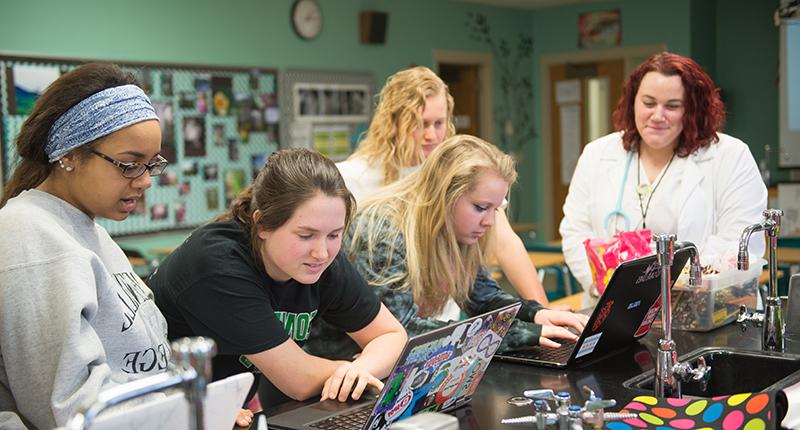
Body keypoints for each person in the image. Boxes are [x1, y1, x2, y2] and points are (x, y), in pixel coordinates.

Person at [147, 148, 407, 408]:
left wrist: (361, 369)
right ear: (262, 224)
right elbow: (298, 380)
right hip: (163, 414)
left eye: (334, 235)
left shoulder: (320, 262)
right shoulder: (217, 264)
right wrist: (351, 373)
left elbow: (393, 335)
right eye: (305, 236)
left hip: (222, 410)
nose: (322, 252)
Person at [306, 135, 588, 361]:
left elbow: (481, 297)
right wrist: (517, 334)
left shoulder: (458, 232)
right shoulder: (383, 231)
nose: (490, 221)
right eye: (480, 208)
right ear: (445, 195)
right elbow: (404, 330)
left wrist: (534, 313)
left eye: (496, 209)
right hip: (331, 369)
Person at [0, 63, 171, 429]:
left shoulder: (88, 229)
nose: (145, 182)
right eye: (129, 164)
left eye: (151, 164)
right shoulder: (30, 239)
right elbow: (70, 409)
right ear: (69, 154)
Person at [337, 66, 559, 308]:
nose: (431, 135)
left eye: (439, 123)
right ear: (393, 121)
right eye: (421, 124)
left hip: (443, 315)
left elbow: (506, 244)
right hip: (382, 312)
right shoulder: (351, 177)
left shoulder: (454, 172)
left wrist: (542, 310)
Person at [559, 52, 768, 307]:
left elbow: (739, 244)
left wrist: (673, 288)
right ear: (632, 102)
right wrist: (603, 284)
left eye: (672, 106)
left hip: (704, 310)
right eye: (648, 102)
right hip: (614, 307)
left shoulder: (729, 156)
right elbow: (574, 232)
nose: (658, 116)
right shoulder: (598, 154)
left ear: (692, 109)